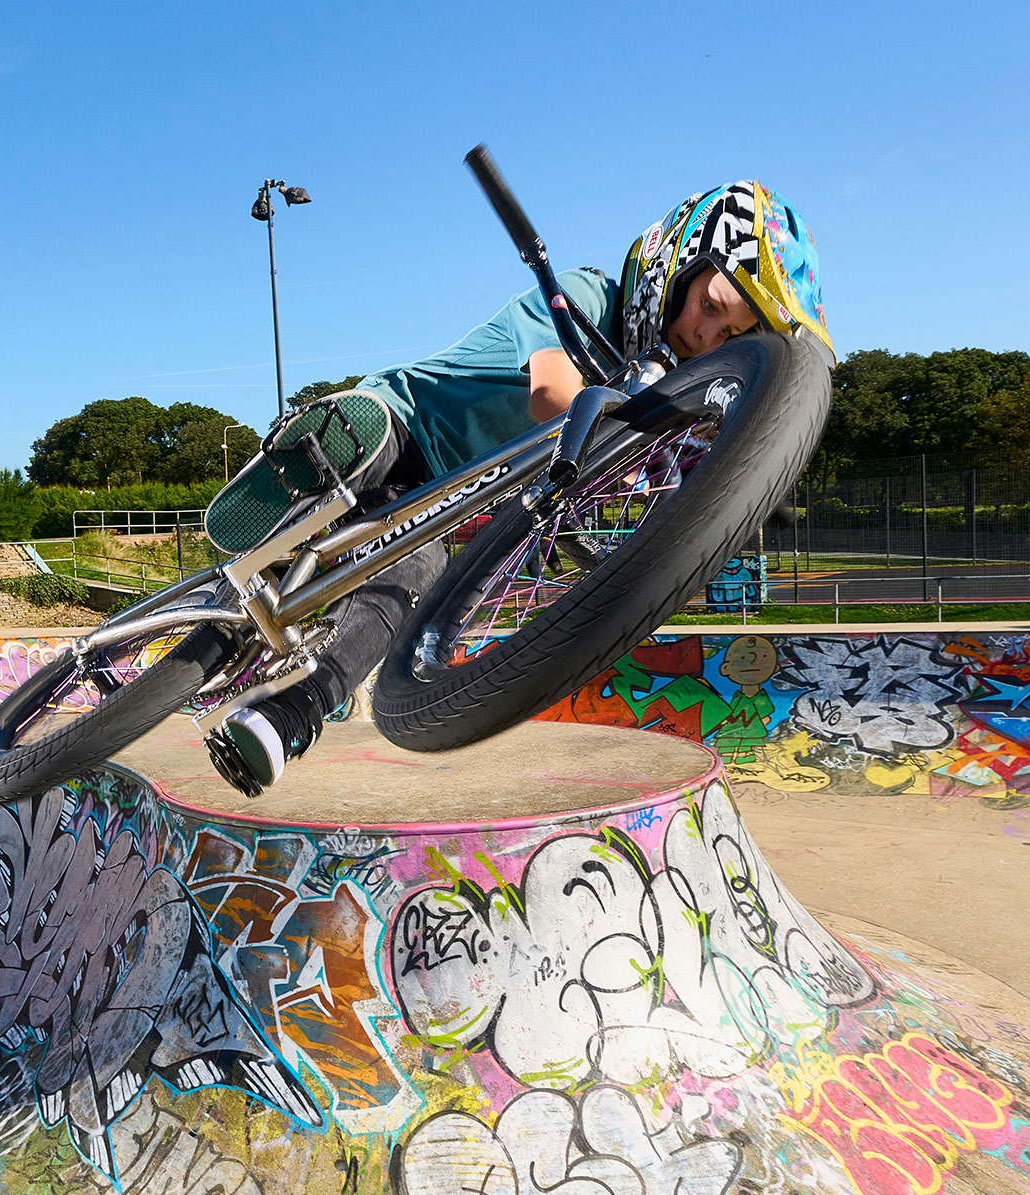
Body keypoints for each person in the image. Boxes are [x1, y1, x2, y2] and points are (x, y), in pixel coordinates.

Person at [200, 179, 830, 794]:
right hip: (404, 420)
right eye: (711, 307)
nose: (707, 336)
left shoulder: (655, 385)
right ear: (676, 267)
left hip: (433, 498)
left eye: (730, 335)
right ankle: (268, 527)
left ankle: (288, 716)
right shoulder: (587, 299)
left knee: (418, 571)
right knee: (364, 441)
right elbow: (552, 394)